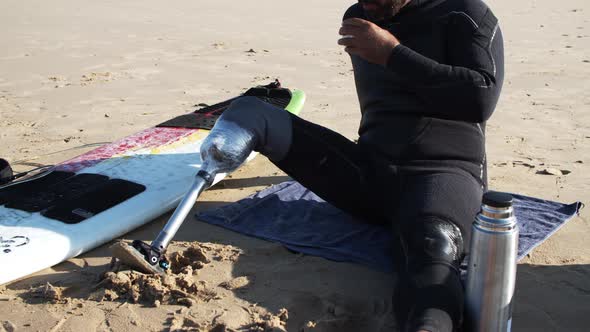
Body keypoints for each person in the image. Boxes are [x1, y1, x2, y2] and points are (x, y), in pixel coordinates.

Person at [206, 0, 504, 331]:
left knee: (432, 245)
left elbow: (481, 99)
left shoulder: (465, 14)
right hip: (369, 172)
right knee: (250, 112)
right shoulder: (359, 16)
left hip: (444, 173)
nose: (366, 1)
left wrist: (393, 54)